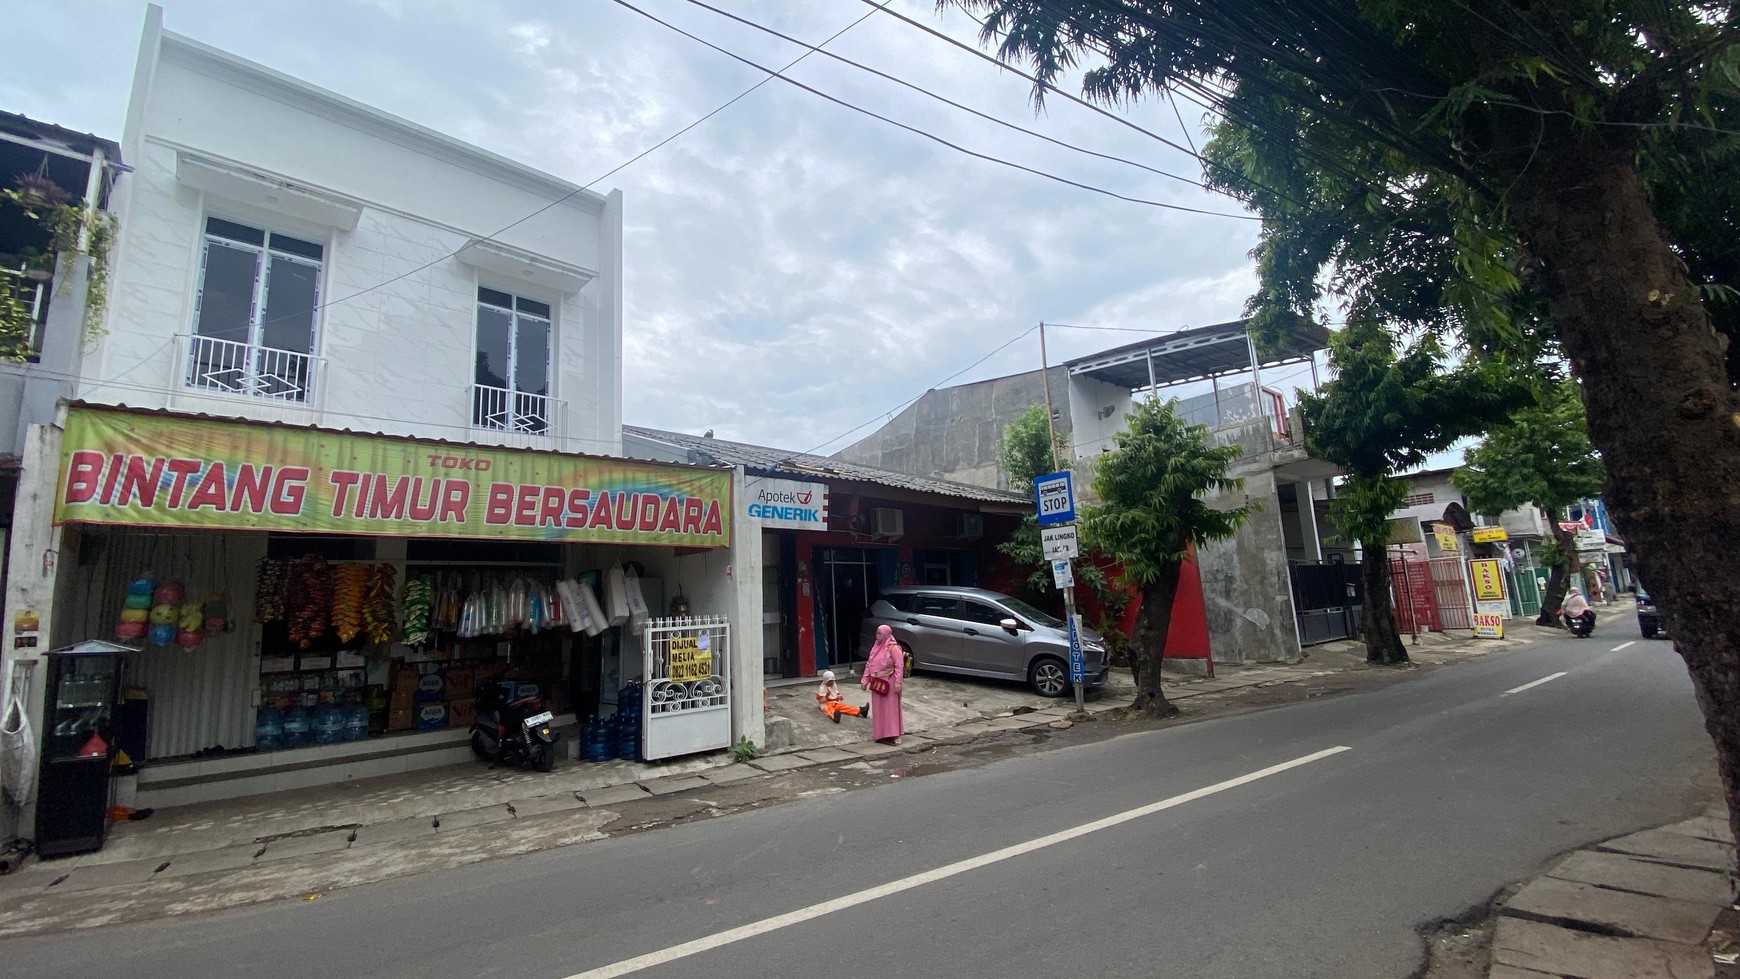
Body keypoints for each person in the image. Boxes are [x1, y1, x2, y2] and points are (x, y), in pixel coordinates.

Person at [862, 624, 905, 744]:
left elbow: (899, 666)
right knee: (879, 709)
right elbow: (869, 664)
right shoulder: (875, 647)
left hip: (890, 683)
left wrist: (898, 683)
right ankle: (881, 735)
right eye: (877, 633)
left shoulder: (893, 648)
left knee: (891, 709)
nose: (877, 635)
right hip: (877, 683)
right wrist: (865, 680)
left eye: (880, 633)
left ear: (886, 635)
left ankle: (895, 735)